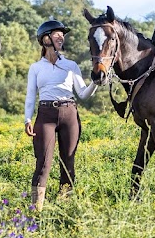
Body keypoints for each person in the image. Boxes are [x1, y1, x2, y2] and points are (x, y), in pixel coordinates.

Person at [23, 19, 98, 210]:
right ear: (45, 38)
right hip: (45, 114)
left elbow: (83, 94)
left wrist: (95, 82)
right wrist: (27, 119)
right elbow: (31, 95)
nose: (61, 37)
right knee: (43, 163)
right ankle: (36, 210)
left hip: (69, 113)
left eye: (62, 34)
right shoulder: (36, 68)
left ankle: (65, 206)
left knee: (68, 162)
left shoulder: (71, 65)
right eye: (56, 33)